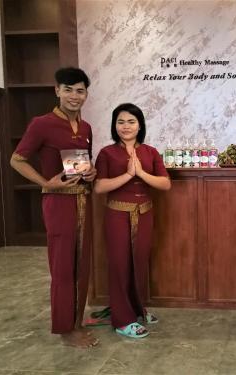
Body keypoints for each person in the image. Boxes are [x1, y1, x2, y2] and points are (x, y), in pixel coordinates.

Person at [10, 67, 99, 348]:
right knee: (63, 267)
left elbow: (84, 164)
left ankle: (76, 320)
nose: (75, 96)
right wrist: (46, 183)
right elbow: (17, 160)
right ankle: (65, 330)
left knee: (82, 265)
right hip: (58, 203)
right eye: (68, 89)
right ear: (57, 90)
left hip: (84, 199)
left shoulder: (85, 127)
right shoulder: (42, 123)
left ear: (86, 94)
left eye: (80, 90)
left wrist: (92, 173)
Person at [94, 103, 171, 338]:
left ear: (140, 125)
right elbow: (99, 187)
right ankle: (122, 320)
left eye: (131, 122)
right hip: (117, 214)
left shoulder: (150, 152)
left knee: (139, 262)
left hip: (145, 213)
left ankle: (136, 308)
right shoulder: (107, 153)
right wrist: (127, 174)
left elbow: (165, 184)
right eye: (120, 122)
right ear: (114, 126)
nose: (125, 126)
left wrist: (141, 173)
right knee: (119, 264)